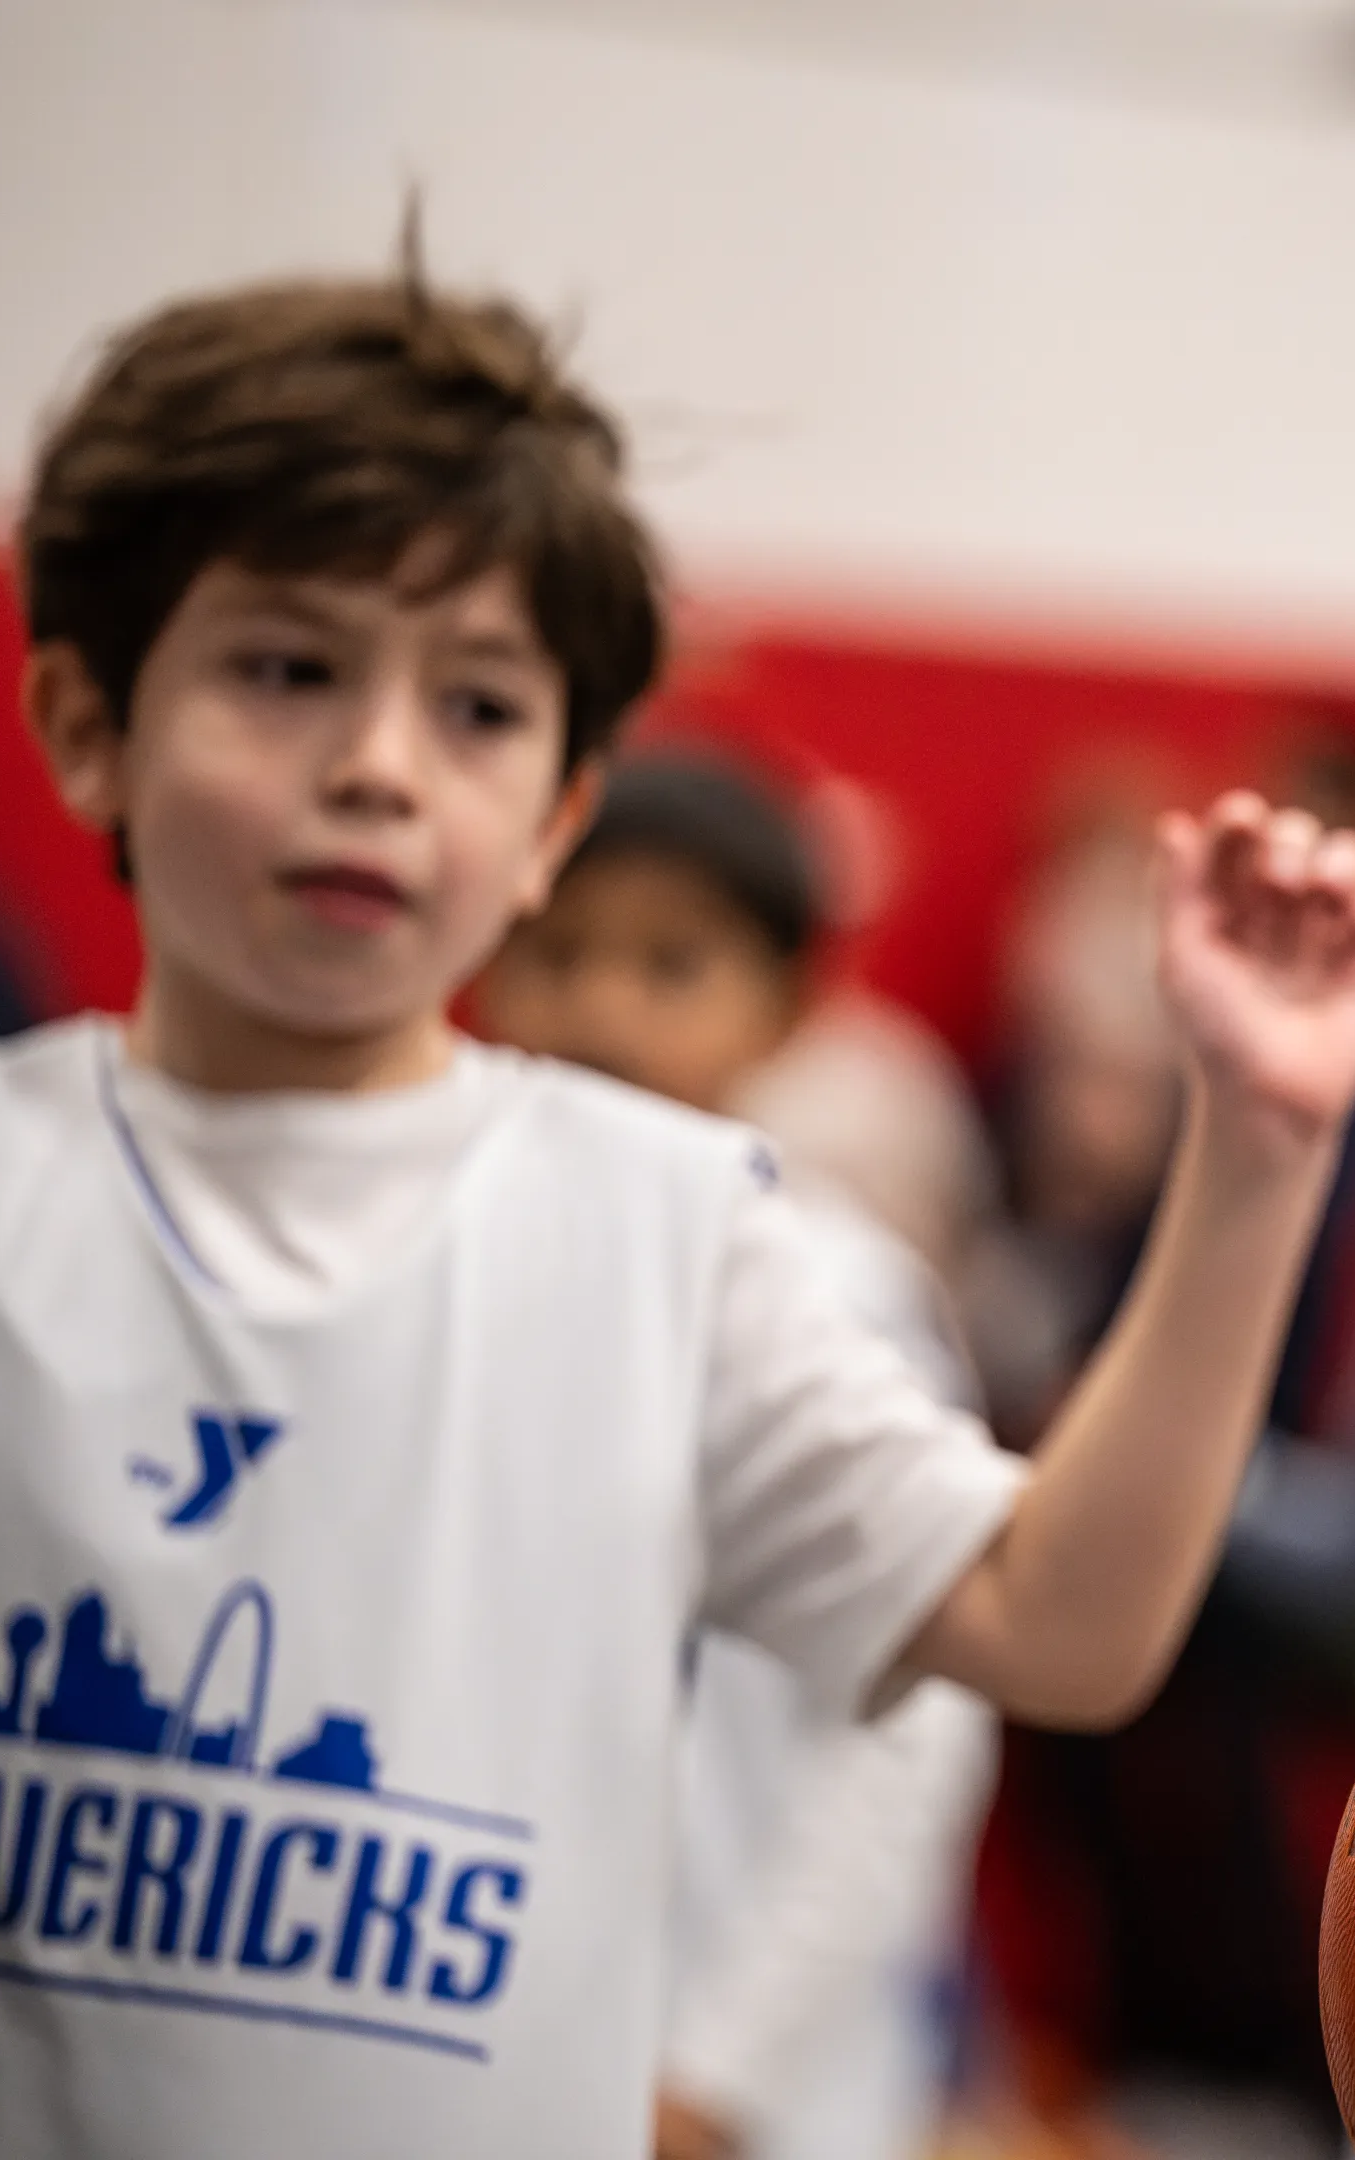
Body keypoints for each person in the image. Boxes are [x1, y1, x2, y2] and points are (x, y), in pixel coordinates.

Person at [0, 264, 1355, 2156]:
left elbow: (1060, 1622)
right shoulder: (1, 1180)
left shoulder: (677, 1233)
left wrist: (1255, 1158)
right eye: (286, 669)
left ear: (557, 812)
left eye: (475, 706)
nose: (380, 768)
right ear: (86, 727)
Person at [472, 752, 1001, 2160]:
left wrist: (720, 2074)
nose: (600, 1008)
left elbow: (910, 1745)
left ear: (787, 1004)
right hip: (481, 2038)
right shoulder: (443, 1267)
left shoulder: (839, 1290)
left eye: (671, 964)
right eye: (558, 952)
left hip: (758, 2090)